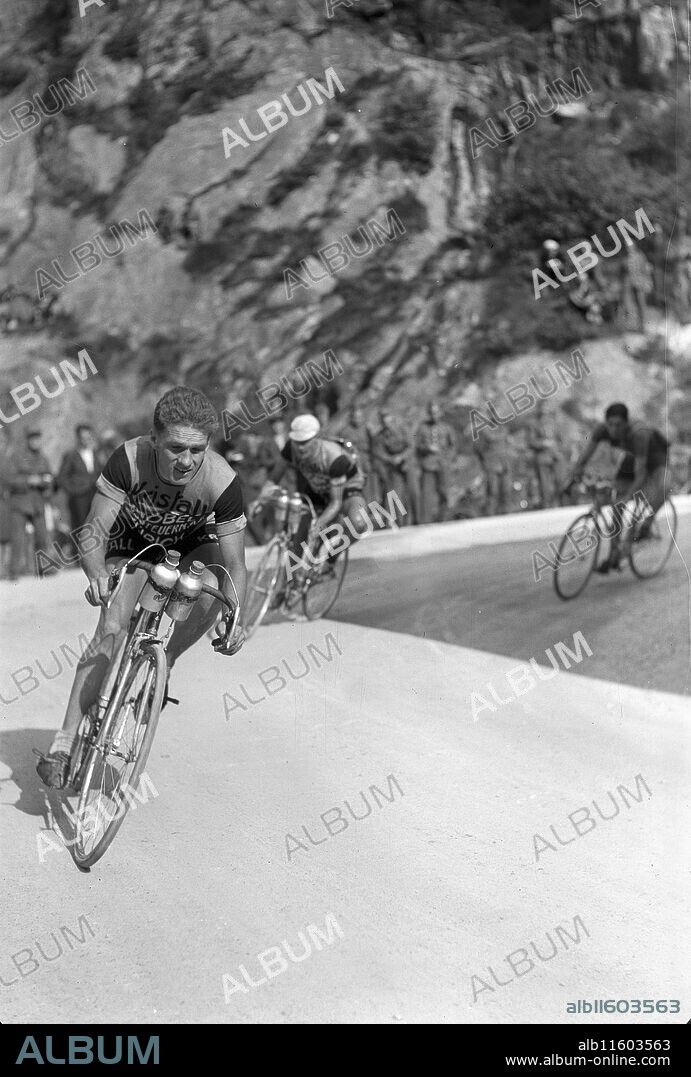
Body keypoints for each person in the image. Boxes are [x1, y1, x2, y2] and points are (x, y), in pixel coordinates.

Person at [34, 386, 248, 789]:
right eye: (175, 448)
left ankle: (165, 664)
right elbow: (94, 531)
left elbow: (237, 563)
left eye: (197, 450)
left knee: (215, 585)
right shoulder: (128, 459)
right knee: (112, 630)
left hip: (190, 546)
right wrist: (97, 573)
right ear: (154, 439)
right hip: (130, 543)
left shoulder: (222, 480)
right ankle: (63, 743)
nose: (186, 461)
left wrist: (237, 616)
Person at [262, 413, 372, 583]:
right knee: (301, 536)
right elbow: (274, 478)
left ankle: (329, 562)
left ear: (317, 438)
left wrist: (319, 523)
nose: (301, 448)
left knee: (358, 523)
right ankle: (287, 584)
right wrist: (261, 499)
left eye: (305, 442)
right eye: (297, 442)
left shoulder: (335, 456)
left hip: (346, 490)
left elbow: (336, 503)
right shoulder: (291, 448)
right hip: (317, 489)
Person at [566, 402, 670, 573]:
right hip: (632, 458)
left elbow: (641, 474)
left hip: (655, 456)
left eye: (618, 425)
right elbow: (584, 458)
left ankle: (645, 527)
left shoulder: (639, 433)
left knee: (662, 489)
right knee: (617, 503)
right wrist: (573, 476)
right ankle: (614, 553)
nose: (614, 429)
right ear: (606, 423)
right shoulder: (602, 430)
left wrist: (629, 495)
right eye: (611, 425)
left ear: (626, 423)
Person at [7, 428, 53, 579]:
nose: (36, 442)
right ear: (27, 440)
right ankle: (14, 571)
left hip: (37, 503)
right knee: (17, 539)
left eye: (38, 438)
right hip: (20, 502)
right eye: (32, 439)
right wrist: (29, 480)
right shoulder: (17, 457)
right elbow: (9, 480)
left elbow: (49, 477)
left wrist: (47, 482)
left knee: (41, 537)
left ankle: (43, 569)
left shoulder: (43, 458)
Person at [371, 409, 420, 525]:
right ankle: (400, 522)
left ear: (392, 419)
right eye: (383, 421)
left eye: (388, 419)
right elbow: (378, 452)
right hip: (394, 467)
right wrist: (390, 459)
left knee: (414, 492)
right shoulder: (380, 436)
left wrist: (402, 457)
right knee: (396, 494)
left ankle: (418, 520)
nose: (386, 423)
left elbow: (411, 446)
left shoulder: (403, 429)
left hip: (407, 463)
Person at [415, 401, 456, 523]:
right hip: (428, 464)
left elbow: (453, 445)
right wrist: (427, 448)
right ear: (429, 414)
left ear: (440, 413)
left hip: (443, 464)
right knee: (427, 494)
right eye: (432, 413)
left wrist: (448, 459)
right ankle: (425, 521)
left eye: (436, 412)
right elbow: (417, 445)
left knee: (444, 492)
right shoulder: (422, 428)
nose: (434, 415)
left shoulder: (447, 428)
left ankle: (443, 518)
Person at [57, 424, 99, 536]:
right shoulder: (71, 455)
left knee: (96, 526)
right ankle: (79, 552)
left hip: (95, 494)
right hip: (79, 497)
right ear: (78, 437)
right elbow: (61, 477)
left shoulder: (96, 453)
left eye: (88, 437)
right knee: (81, 527)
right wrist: (73, 490)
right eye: (83, 437)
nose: (86, 440)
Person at [339, 404, 378, 502]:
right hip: (354, 462)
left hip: (367, 461)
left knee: (372, 488)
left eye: (360, 417)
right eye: (355, 417)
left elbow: (375, 445)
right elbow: (345, 446)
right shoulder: (345, 431)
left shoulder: (367, 429)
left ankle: (373, 511)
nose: (358, 420)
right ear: (351, 417)